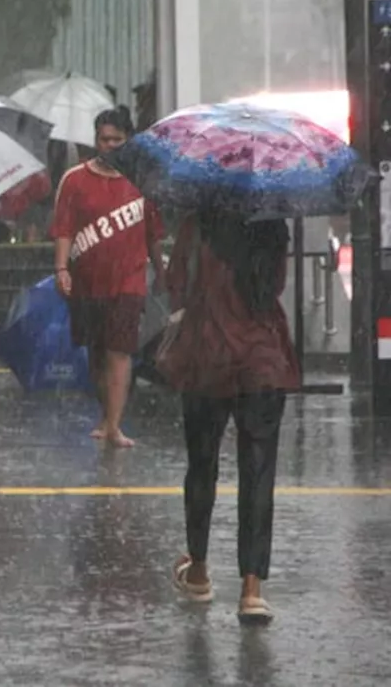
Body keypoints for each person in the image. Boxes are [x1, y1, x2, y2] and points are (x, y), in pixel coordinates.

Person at [164, 211, 298, 625]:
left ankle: (199, 570)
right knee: (258, 473)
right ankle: (252, 589)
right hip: (262, 359)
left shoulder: (200, 218)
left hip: (208, 356)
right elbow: (274, 286)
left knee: (202, 465)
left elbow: (176, 287)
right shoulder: (272, 221)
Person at [50, 106, 165, 448]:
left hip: (128, 281)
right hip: (87, 281)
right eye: (104, 139)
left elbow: (154, 234)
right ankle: (107, 414)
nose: (110, 145)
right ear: (95, 140)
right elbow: (64, 229)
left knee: (120, 350)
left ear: (129, 140)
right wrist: (61, 269)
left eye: (117, 140)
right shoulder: (74, 180)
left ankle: (115, 425)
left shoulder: (144, 181)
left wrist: (161, 271)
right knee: (97, 352)